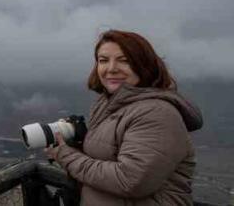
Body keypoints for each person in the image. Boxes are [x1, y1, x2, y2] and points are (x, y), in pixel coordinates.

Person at [44, 29, 203, 206]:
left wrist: (66, 156)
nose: (111, 69)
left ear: (144, 65)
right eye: (103, 60)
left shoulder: (157, 113)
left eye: (124, 61)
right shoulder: (109, 104)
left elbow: (130, 181)